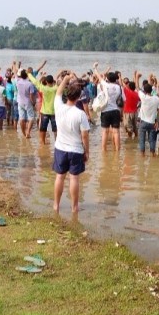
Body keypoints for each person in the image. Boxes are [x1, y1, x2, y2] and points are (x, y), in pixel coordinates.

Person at [52, 73, 90, 215]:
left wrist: (66, 79)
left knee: (59, 176)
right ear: (79, 97)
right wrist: (86, 151)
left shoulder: (58, 106)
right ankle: (74, 208)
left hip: (60, 148)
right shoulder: (80, 114)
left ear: (67, 95)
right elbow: (85, 135)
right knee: (74, 178)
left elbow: (58, 92)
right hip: (76, 149)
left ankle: (56, 205)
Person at [92, 63, 124, 151]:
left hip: (106, 111)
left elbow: (99, 76)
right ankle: (117, 150)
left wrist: (95, 68)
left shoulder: (106, 85)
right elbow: (123, 100)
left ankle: (103, 150)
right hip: (116, 110)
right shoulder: (119, 88)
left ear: (108, 79)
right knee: (116, 132)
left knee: (105, 132)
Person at [29, 73, 57, 145]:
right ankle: (57, 142)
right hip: (54, 112)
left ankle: (42, 141)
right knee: (55, 129)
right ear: (53, 81)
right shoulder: (55, 89)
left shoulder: (43, 88)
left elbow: (35, 82)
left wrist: (29, 74)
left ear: (46, 82)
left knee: (43, 128)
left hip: (44, 112)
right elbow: (62, 83)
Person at [12, 63, 36, 139]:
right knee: (31, 118)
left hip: (20, 102)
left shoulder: (17, 82)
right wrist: (33, 103)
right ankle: (28, 131)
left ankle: (24, 133)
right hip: (28, 102)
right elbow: (31, 96)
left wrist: (14, 65)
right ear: (27, 76)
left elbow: (15, 73)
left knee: (21, 118)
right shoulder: (30, 84)